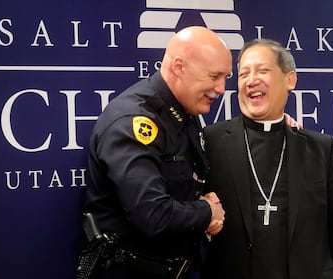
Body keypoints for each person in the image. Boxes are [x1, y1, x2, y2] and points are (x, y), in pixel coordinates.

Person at [201, 39, 333, 279]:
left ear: (290, 80)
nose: (251, 80)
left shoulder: (321, 149)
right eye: (244, 74)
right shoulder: (211, 142)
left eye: (262, 70)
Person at [80, 26, 230, 279]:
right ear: (179, 67)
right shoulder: (134, 121)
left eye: (226, 76)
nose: (222, 88)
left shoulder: (185, 112)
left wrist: (283, 126)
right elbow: (152, 216)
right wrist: (206, 213)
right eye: (214, 76)